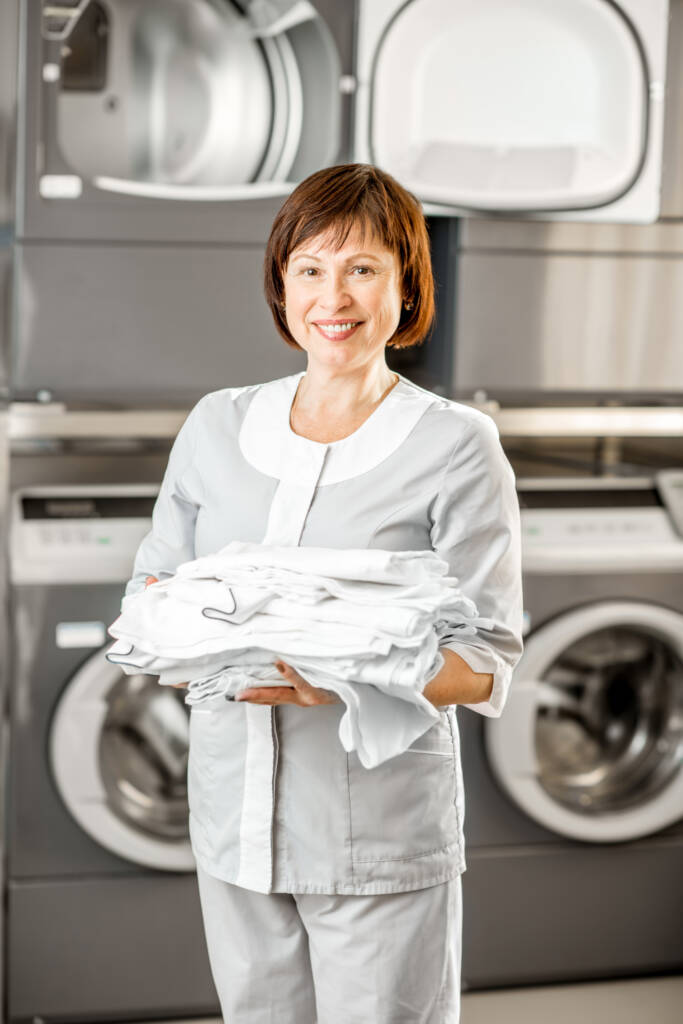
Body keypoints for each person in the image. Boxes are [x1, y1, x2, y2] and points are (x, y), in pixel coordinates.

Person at [126, 163, 524, 1023]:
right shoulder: (217, 424)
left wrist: (348, 675)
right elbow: (153, 591)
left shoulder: (454, 445)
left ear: (405, 284)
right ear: (280, 284)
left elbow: (485, 661)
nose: (331, 297)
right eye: (309, 268)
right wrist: (189, 633)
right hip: (234, 819)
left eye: (362, 268)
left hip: (373, 832)